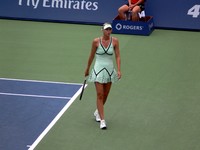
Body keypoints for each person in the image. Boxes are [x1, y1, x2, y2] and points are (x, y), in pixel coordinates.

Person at [84, 23, 121, 129]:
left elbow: (118, 56)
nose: (108, 31)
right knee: (100, 94)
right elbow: (91, 56)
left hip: (109, 70)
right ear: (102, 30)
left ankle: (97, 112)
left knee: (105, 95)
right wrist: (87, 68)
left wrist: (119, 70)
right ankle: (102, 120)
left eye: (110, 29)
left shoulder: (115, 41)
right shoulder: (96, 41)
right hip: (98, 70)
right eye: (106, 29)